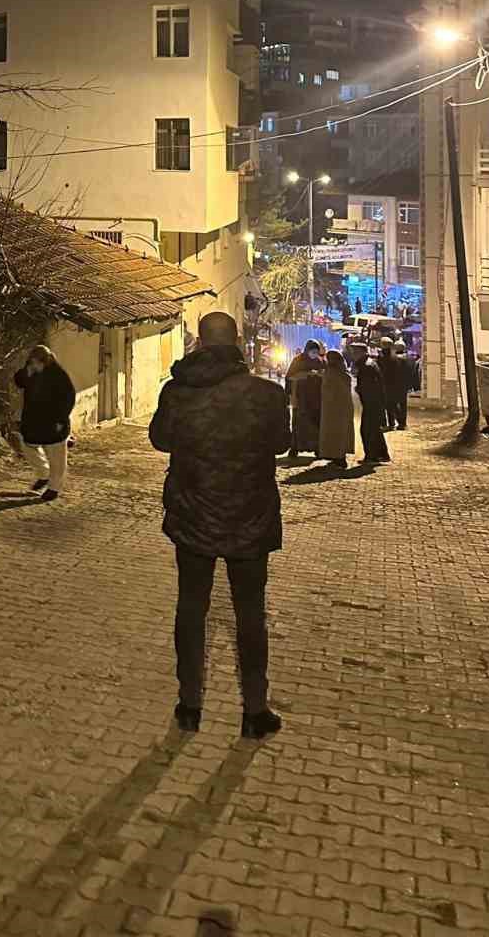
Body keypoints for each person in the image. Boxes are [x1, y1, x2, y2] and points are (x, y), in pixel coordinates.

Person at [149, 311, 290, 739]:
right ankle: (255, 709)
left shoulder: (177, 392)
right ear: (237, 342)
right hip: (250, 518)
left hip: (193, 517)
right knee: (250, 614)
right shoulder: (266, 394)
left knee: (191, 607)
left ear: (200, 343)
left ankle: (190, 703)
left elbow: (159, 440)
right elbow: (283, 444)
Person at [12, 344, 75, 501]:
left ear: (44, 361)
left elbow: (69, 397)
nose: (34, 365)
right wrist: (27, 372)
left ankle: (54, 488)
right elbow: (19, 381)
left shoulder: (58, 375)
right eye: (31, 362)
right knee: (28, 445)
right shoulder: (31, 370)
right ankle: (43, 473)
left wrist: (61, 419)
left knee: (57, 456)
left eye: (36, 363)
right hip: (33, 420)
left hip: (54, 421)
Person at [284, 340, 324, 461]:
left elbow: (324, 374)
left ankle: (316, 447)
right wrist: (304, 375)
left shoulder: (319, 361)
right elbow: (289, 376)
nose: (314, 353)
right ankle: (295, 447)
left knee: (315, 422)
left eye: (316, 351)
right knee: (298, 422)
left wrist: (319, 375)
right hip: (300, 396)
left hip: (315, 398)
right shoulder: (298, 360)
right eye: (313, 351)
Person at [319, 350, 357, 467]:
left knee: (334, 432)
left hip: (333, 407)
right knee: (341, 431)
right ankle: (338, 455)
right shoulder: (342, 372)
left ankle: (337, 456)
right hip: (342, 407)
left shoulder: (331, 372)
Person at [354, 350, 392, 464]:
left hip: (371, 403)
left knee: (367, 430)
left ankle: (371, 456)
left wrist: (359, 390)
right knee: (375, 430)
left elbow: (368, 388)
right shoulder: (370, 363)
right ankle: (382, 454)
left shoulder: (366, 366)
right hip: (375, 403)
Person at [377, 338, 412, 432]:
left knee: (390, 404)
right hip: (402, 384)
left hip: (390, 384)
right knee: (402, 404)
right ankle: (402, 423)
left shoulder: (388, 357)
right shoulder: (407, 357)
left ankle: (393, 423)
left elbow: (384, 371)